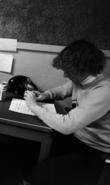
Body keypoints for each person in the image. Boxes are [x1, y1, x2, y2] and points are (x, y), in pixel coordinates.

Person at [24, 40, 110, 185]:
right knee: (31, 152)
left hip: (96, 149)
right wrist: (44, 95)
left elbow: (67, 126)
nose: (64, 75)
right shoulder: (80, 81)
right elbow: (62, 91)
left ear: (81, 69)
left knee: (41, 173)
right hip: (77, 138)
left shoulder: (104, 91)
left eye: (67, 71)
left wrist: (34, 106)